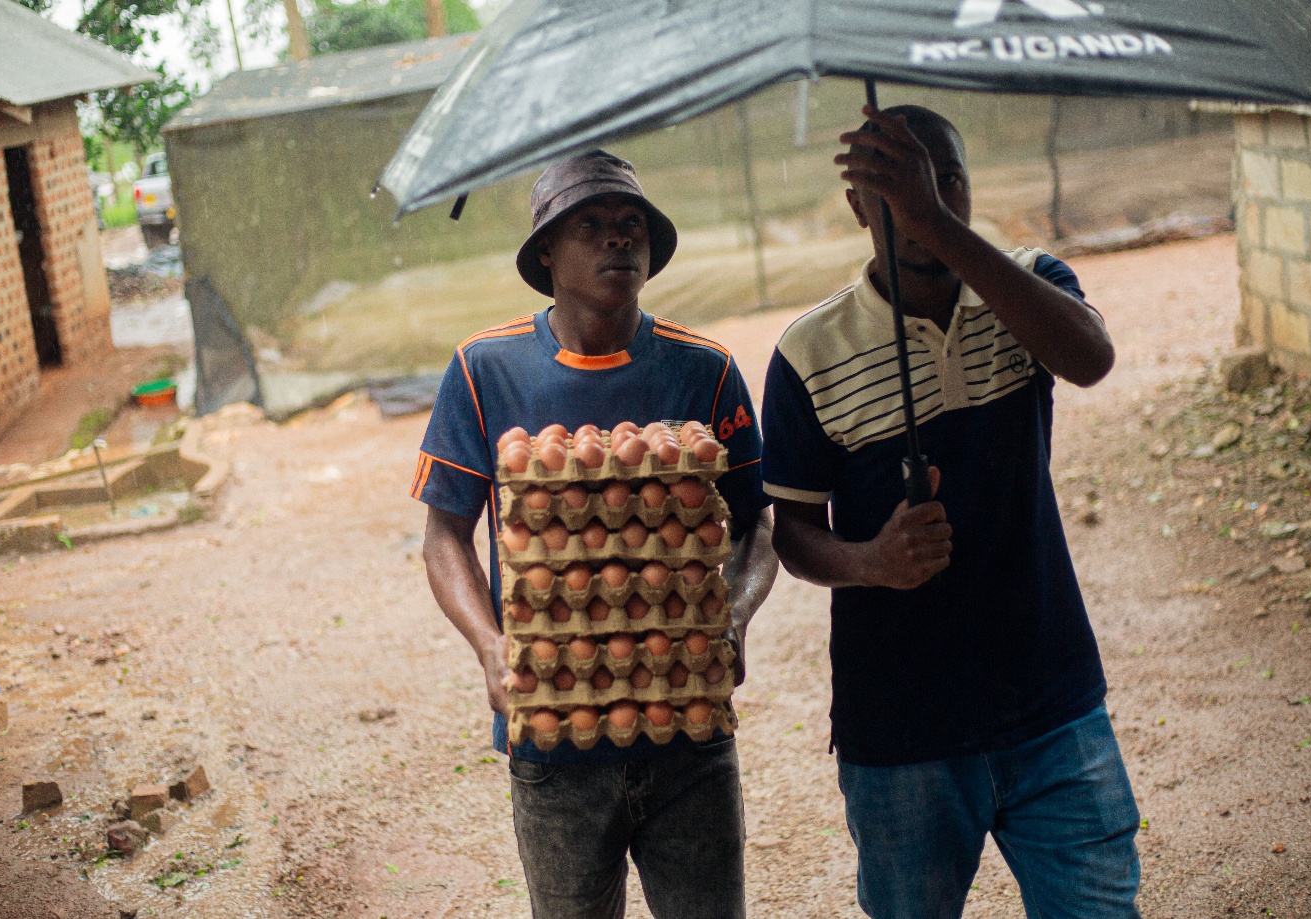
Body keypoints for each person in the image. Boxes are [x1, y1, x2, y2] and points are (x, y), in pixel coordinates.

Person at [761, 104, 1140, 918]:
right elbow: (790, 530)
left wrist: (932, 220)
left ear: (966, 189)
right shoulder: (808, 352)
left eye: (946, 179)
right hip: (901, 732)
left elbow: (1090, 359)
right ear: (859, 204)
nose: (923, 200)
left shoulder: (1028, 284)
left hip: (1052, 701)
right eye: (893, 189)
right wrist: (870, 561)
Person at [413, 150, 778, 919]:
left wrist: (735, 614)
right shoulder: (485, 368)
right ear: (546, 251)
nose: (619, 241)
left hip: (687, 729)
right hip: (550, 737)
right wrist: (488, 644)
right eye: (593, 227)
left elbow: (759, 522)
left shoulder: (702, 368)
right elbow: (444, 531)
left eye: (631, 226)